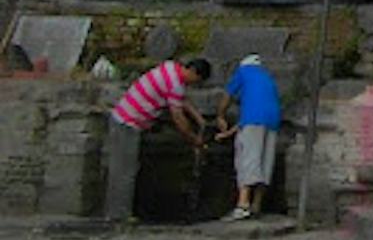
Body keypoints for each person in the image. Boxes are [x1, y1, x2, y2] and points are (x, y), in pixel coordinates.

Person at [104, 55, 211, 221]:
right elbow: (178, 119)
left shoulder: (170, 69)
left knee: (126, 167)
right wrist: (194, 140)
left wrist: (198, 118)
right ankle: (118, 215)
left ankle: (118, 212)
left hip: (125, 118)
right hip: (128, 122)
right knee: (124, 170)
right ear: (193, 72)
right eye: (196, 80)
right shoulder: (175, 84)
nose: (194, 84)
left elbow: (181, 99)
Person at [217, 54, 282, 221]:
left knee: (248, 158)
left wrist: (221, 115)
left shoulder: (243, 72)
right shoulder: (266, 77)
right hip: (273, 121)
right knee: (264, 161)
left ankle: (242, 205)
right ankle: (256, 205)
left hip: (254, 120)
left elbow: (227, 95)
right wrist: (229, 132)